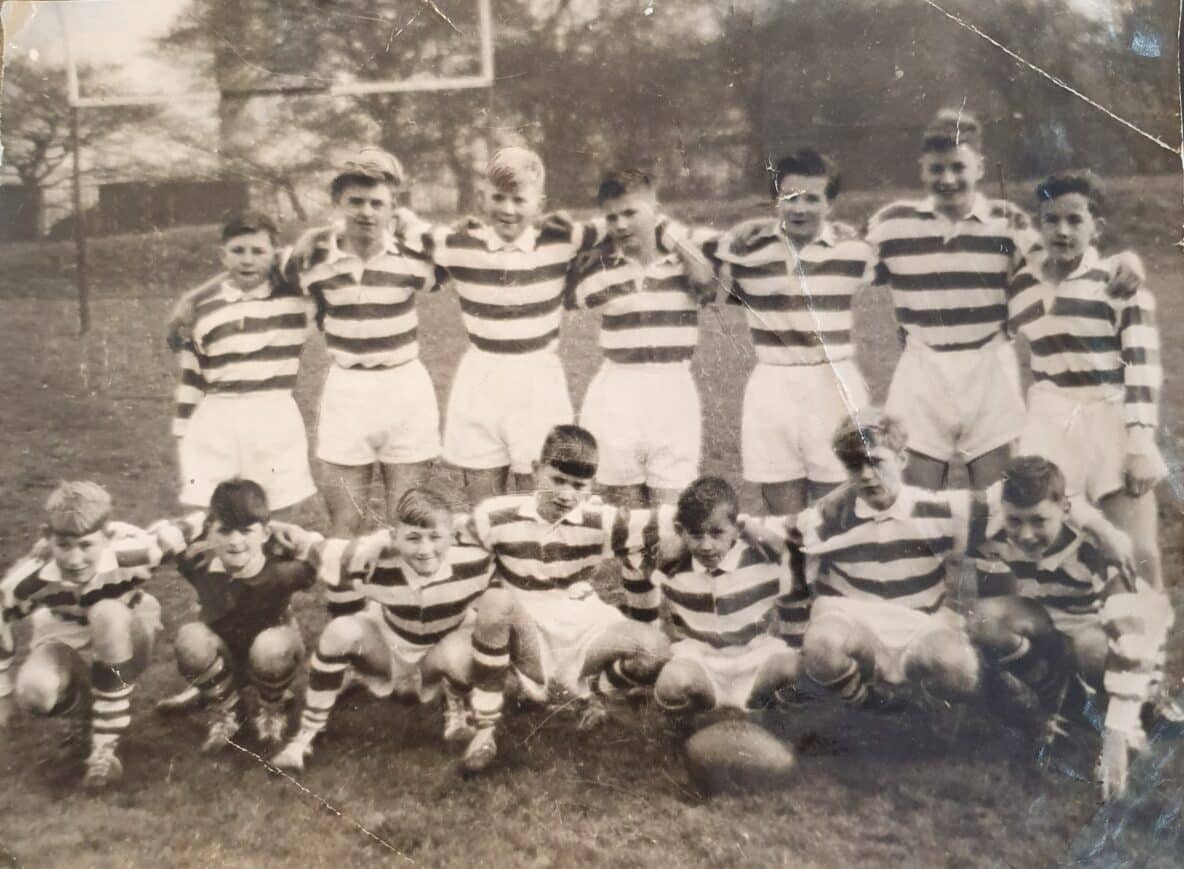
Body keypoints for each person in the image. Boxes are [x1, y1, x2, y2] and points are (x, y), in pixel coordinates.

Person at [865, 109, 1142, 490]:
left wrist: (1124, 260)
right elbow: (839, 260)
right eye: (937, 169)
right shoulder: (892, 223)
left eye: (958, 167)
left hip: (990, 364)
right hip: (921, 366)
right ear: (922, 170)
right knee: (913, 498)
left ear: (979, 167)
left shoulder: (1008, 222)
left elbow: (1060, 260)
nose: (948, 179)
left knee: (999, 498)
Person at [458, 424, 671, 773]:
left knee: (655, 649)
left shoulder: (599, 520)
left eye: (578, 486)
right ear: (535, 469)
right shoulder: (494, 515)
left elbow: (660, 531)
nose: (566, 495)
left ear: (592, 486)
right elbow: (457, 560)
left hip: (580, 621)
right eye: (557, 480)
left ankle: (597, 694)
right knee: (494, 603)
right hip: (525, 626)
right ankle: (485, 729)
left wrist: (644, 618)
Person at [968, 455, 1176, 800]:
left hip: (1113, 637)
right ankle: (1062, 702)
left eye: (1039, 520)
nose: (1025, 534)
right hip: (1053, 627)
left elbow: (1131, 638)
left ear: (1065, 509)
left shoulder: (1095, 548)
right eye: (1015, 520)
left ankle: (1131, 714)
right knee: (985, 618)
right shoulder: (989, 529)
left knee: (1090, 648)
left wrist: (1115, 736)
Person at [1008, 170, 1166, 587]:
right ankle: (1067, 621)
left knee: (1136, 549)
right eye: (1051, 220)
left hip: (1108, 414)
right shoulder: (1022, 283)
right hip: (1050, 418)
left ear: (1097, 226)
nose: (1062, 231)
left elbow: (1142, 367)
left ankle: (1143, 626)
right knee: (1049, 539)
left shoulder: (1118, 283)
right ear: (1038, 224)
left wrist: (1139, 446)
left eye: (1075, 220)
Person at [271, 487, 497, 773]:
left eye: (435, 538)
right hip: (389, 652)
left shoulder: (472, 561)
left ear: (452, 536)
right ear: (394, 537)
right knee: (340, 631)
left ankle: (456, 702)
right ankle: (305, 736)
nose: (425, 550)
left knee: (467, 646)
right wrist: (276, 528)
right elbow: (316, 547)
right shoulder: (372, 559)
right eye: (413, 538)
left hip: (440, 655)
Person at [715, 149, 873, 514]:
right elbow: (706, 268)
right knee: (784, 519)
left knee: (840, 512)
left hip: (834, 383)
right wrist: (737, 232)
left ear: (830, 203)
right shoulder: (746, 252)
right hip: (773, 385)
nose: (799, 209)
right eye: (790, 197)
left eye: (812, 199)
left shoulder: (855, 252)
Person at [0, 482, 188, 788]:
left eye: (86, 545)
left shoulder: (134, 551)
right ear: (46, 536)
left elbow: (185, 528)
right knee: (35, 693)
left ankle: (104, 747)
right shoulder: (31, 579)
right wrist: (3, 693)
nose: (75, 560)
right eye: (64, 545)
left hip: (125, 637)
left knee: (106, 611)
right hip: (65, 637)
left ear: (107, 536)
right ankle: (87, 715)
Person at [298, 148, 441, 535]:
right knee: (345, 521)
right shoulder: (312, 259)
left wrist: (412, 224)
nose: (366, 212)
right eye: (356, 202)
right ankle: (346, 578)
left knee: (407, 521)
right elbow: (256, 271)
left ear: (393, 208)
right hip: (347, 390)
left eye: (377, 203)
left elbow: (464, 257)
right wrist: (190, 302)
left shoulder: (415, 258)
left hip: (404, 388)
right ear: (338, 203)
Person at [566, 169, 715, 507]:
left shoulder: (683, 264)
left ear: (655, 210)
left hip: (673, 387)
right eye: (612, 217)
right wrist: (599, 248)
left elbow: (706, 280)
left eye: (631, 212)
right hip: (618, 389)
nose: (621, 224)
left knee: (671, 509)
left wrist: (671, 235)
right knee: (624, 510)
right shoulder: (601, 270)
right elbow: (567, 294)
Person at [159, 479, 321, 754]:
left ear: (264, 533)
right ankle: (227, 710)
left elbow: (315, 554)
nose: (235, 541)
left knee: (272, 646)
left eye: (246, 531)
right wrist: (195, 524)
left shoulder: (282, 570)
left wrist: (286, 529)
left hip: (272, 653)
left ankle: (272, 707)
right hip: (223, 653)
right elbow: (164, 535)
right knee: (190, 638)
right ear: (209, 532)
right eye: (225, 531)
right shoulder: (199, 563)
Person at [171, 211, 317, 517]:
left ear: (274, 255)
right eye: (238, 251)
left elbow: (315, 260)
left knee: (276, 510)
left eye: (258, 251)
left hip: (274, 414)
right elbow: (192, 376)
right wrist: (183, 431)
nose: (247, 260)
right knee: (209, 511)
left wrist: (308, 238)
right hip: (216, 417)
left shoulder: (297, 302)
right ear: (223, 256)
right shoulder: (203, 310)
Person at [623, 476, 808, 716]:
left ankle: (755, 712)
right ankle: (696, 724)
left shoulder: (762, 559)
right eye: (696, 534)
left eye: (717, 533)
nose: (706, 545)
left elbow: (798, 583)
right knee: (672, 684)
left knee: (796, 669)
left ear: (737, 529)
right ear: (680, 531)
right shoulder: (672, 565)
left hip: (755, 657)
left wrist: (796, 644)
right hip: (700, 660)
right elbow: (631, 557)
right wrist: (647, 629)